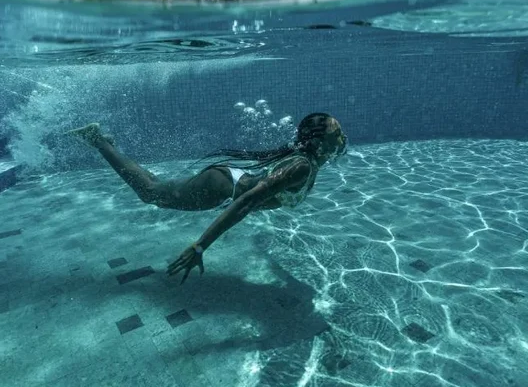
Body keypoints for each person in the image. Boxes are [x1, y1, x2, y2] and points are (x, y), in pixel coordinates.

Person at [68, 113, 348, 283]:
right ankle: (99, 141)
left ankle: (109, 146)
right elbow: (247, 202)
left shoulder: (308, 163)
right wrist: (200, 246)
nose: (342, 137)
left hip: (225, 182)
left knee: (158, 188)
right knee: (150, 193)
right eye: (337, 133)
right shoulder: (300, 166)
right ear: (318, 141)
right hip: (220, 187)